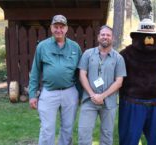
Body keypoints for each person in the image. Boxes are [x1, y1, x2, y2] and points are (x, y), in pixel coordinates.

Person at [28, 14, 82, 145]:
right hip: (49, 92)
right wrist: (32, 95)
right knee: (47, 129)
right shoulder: (42, 46)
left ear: (66, 29)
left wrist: (81, 94)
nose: (59, 30)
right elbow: (35, 71)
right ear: (51, 28)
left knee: (67, 129)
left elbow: (80, 73)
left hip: (70, 92)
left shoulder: (75, 47)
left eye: (62, 27)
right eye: (56, 27)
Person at [118, 19, 156, 145]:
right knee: (129, 139)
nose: (148, 39)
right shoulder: (125, 54)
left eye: (151, 35)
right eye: (144, 35)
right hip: (132, 103)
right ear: (137, 36)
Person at [77, 25, 126, 145]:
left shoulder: (118, 58)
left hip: (109, 102)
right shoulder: (88, 54)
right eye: (103, 35)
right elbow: (82, 75)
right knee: (84, 134)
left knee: (107, 135)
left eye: (108, 35)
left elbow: (119, 81)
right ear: (98, 37)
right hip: (89, 100)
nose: (105, 37)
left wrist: (102, 96)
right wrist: (92, 94)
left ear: (112, 38)